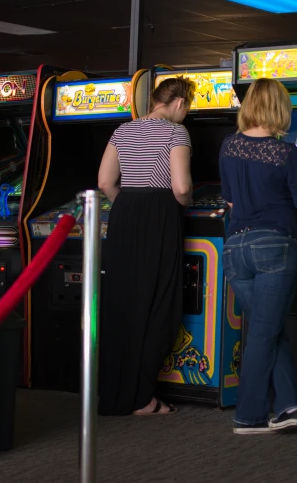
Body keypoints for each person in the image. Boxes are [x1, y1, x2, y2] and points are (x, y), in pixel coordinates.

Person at [219, 78, 297, 434]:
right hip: (274, 249)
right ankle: (247, 417)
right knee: (265, 334)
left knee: (268, 330)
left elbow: (231, 203)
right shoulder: (287, 153)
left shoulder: (228, 147)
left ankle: (288, 406)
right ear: (281, 110)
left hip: (236, 250)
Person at [97, 77, 196, 416]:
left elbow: (105, 182)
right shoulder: (175, 132)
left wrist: (129, 205)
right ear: (180, 103)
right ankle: (142, 398)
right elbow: (181, 187)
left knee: (123, 304)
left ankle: (116, 393)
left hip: (124, 215)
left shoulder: (123, 130)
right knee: (159, 306)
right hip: (159, 215)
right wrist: (186, 202)